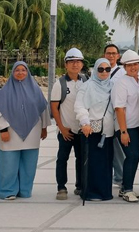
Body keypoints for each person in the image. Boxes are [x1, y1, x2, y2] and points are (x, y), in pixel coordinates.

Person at [0, 61, 49, 200]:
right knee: (8, 164)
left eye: (23, 70)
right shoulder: (5, 91)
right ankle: (7, 191)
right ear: (12, 72)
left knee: (29, 165)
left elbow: (43, 108)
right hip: (10, 133)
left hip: (33, 132)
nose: (20, 73)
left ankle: (25, 190)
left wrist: (44, 128)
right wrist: (3, 130)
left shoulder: (35, 90)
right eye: (17, 70)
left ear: (27, 72)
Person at [75, 58, 116, 202]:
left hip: (108, 132)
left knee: (106, 163)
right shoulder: (87, 86)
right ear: (95, 70)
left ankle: (105, 193)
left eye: (107, 69)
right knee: (92, 162)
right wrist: (85, 122)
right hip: (91, 131)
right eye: (100, 69)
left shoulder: (113, 85)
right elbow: (79, 106)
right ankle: (90, 192)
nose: (104, 72)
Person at [51, 48, 86, 201]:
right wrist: (61, 128)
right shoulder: (60, 84)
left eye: (78, 61)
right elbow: (54, 108)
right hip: (66, 129)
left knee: (81, 158)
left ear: (82, 64)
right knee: (62, 158)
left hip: (81, 130)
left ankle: (80, 186)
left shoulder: (86, 81)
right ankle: (61, 187)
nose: (75, 64)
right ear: (66, 64)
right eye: (71, 62)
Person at [113, 49, 139, 202]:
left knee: (135, 157)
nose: (133, 67)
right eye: (129, 65)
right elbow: (119, 108)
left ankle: (126, 187)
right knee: (131, 156)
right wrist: (123, 131)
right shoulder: (121, 83)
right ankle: (127, 190)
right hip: (126, 127)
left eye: (136, 64)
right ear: (124, 67)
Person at [104, 43, 126, 188]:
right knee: (103, 149)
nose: (111, 56)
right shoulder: (98, 71)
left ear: (118, 56)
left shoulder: (122, 74)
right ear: (104, 55)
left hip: (117, 117)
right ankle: (105, 178)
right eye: (108, 53)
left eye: (113, 53)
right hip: (102, 118)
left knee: (118, 150)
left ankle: (120, 177)